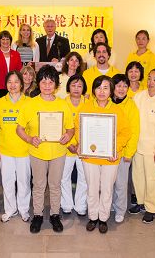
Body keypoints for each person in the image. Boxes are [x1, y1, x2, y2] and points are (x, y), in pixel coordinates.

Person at [16, 65, 74, 233]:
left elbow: (70, 128)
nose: (47, 85)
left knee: (55, 185)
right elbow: (19, 128)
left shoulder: (63, 105)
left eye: (51, 81)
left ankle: (55, 215)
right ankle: (38, 215)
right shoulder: (30, 104)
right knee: (39, 185)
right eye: (43, 81)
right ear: (38, 83)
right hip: (37, 152)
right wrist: (29, 138)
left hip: (58, 152)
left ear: (56, 84)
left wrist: (68, 136)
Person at [76, 76, 131, 234]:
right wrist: (83, 144)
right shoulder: (85, 108)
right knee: (92, 188)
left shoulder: (117, 110)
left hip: (110, 158)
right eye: (98, 87)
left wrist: (115, 148)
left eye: (106, 88)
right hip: (90, 156)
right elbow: (78, 128)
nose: (102, 91)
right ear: (93, 90)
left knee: (107, 188)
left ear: (111, 91)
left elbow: (126, 132)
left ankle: (103, 218)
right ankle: (93, 217)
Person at [129, 68, 155, 223]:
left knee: (153, 179)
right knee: (138, 177)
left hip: (154, 150)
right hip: (138, 147)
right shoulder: (138, 97)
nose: (151, 82)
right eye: (149, 78)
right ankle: (140, 203)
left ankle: (151, 208)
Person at [0, 71, 31, 223]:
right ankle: (10, 210)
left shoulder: (29, 102)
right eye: (9, 82)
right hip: (5, 150)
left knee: (24, 181)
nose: (13, 85)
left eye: (16, 82)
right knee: (7, 181)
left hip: (24, 150)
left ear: (22, 84)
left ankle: (24, 210)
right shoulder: (0, 102)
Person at [110, 74, 140, 224]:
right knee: (108, 182)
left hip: (123, 152)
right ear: (112, 87)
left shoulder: (131, 105)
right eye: (118, 85)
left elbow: (134, 131)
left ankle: (120, 209)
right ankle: (109, 205)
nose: (121, 89)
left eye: (125, 86)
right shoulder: (106, 102)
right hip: (106, 152)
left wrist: (129, 152)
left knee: (121, 183)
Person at [60, 75, 88, 216]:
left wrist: (81, 145)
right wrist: (71, 144)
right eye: (73, 85)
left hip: (84, 148)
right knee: (64, 177)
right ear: (68, 87)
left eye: (79, 86)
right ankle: (66, 204)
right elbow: (59, 126)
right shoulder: (61, 103)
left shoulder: (89, 103)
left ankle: (81, 205)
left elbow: (92, 126)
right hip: (66, 147)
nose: (76, 89)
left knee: (84, 177)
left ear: (83, 88)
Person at [0, 30, 23, 98]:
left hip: (13, 88)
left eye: (7, 39)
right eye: (3, 39)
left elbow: (19, 72)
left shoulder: (16, 54)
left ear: (10, 41)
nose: (5, 41)